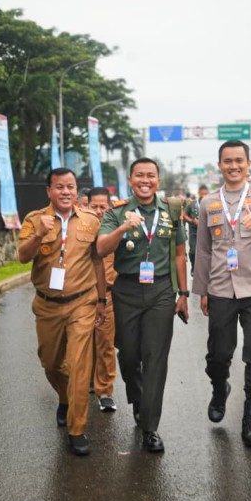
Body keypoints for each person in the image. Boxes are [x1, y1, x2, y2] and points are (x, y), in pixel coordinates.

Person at [192, 141, 251, 447]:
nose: (234, 166)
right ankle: (220, 390)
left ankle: (250, 418)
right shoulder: (208, 202)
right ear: (219, 165)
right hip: (220, 289)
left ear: (248, 164)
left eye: (239, 161)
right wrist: (202, 290)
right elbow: (203, 250)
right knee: (218, 355)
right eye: (228, 161)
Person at [97, 158, 189, 453]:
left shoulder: (171, 211)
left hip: (161, 290)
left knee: (155, 358)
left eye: (151, 175)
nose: (145, 180)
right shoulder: (117, 211)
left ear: (158, 181)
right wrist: (123, 227)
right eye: (140, 175)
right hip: (126, 289)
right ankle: (138, 398)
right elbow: (100, 249)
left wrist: (183, 293)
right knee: (128, 355)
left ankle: (150, 426)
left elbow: (178, 254)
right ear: (132, 180)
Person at [17, 168, 106, 456]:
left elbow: (97, 262)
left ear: (76, 191)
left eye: (70, 186)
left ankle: (76, 429)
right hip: (47, 304)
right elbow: (22, 257)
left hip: (82, 303)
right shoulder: (34, 220)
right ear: (49, 191)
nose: (65, 192)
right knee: (51, 363)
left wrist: (102, 300)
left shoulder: (91, 220)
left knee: (80, 366)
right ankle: (64, 398)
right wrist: (40, 234)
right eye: (59, 187)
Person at [87, 187, 118, 413]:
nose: (99, 211)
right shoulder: (80, 228)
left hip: (107, 294)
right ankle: (85, 382)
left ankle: (105, 390)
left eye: (103, 207)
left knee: (105, 342)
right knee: (82, 343)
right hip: (80, 295)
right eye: (94, 206)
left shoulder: (115, 230)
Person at [183, 184, 208, 275]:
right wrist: (193, 221)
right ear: (199, 193)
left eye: (206, 194)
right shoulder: (192, 203)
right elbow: (184, 215)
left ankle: (205, 270)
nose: (204, 196)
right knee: (193, 251)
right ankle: (193, 267)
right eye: (202, 194)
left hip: (206, 232)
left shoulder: (211, 203)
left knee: (207, 252)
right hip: (194, 231)